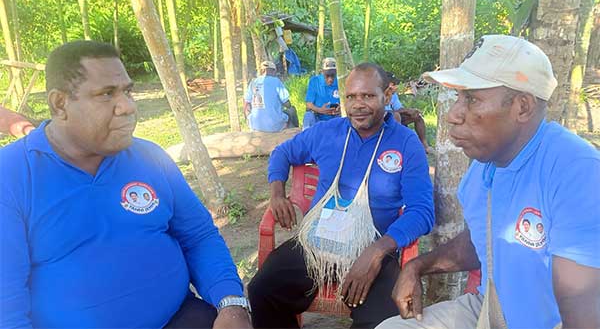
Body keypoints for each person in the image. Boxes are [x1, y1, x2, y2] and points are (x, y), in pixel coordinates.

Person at [0, 41, 252, 329]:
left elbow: (199, 236)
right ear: (60, 104)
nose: (128, 107)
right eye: (106, 94)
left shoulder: (150, 157)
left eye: (128, 91)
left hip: (183, 318)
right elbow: (5, 306)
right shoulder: (11, 175)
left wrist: (232, 303)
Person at [376, 35, 600, 329]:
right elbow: (482, 240)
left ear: (522, 107)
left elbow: (583, 305)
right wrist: (417, 266)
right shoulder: (484, 169)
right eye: (459, 98)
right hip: (491, 307)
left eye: (472, 98)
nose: (454, 115)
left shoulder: (576, 172)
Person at [248, 63, 434, 329]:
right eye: (351, 97)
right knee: (262, 290)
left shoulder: (406, 143)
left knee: (381, 322)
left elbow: (422, 211)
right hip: (317, 242)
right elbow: (282, 153)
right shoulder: (329, 132)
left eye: (368, 96)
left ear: (387, 97)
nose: (358, 105)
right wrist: (277, 193)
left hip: (374, 248)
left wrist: (377, 252)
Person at [244, 60, 299, 132]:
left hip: (255, 125)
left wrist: (249, 117)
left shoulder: (253, 82)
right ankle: (294, 134)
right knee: (292, 110)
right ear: (273, 71)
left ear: (261, 71)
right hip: (274, 125)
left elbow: (246, 103)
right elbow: (287, 103)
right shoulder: (276, 81)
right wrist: (287, 106)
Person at [385, 72, 432, 153]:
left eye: (395, 84)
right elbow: (383, 111)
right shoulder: (378, 93)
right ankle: (397, 144)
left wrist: (411, 111)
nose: (396, 86)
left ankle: (424, 145)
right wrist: (406, 110)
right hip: (382, 119)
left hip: (395, 118)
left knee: (416, 115)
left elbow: (398, 108)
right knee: (396, 115)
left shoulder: (394, 95)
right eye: (393, 84)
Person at [303, 57, 341, 128]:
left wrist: (341, 109)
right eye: (327, 76)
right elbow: (308, 104)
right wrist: (320, 110)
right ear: (322, 72)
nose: (330, 79)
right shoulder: (315, 81)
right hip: (318, 118)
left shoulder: (340, 82)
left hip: (336, 118)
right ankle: (307, 137)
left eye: (332, 75)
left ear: (336, 72)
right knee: (308, 116)